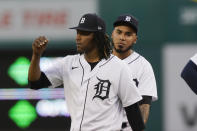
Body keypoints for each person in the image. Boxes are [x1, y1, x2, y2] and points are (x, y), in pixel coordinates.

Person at [28, 13, 145, 131]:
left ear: (97, 37)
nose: (78, 37)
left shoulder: (119, 67)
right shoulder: (68, 63)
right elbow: (35, 83)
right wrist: (36, 55)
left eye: (84, 33)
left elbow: (134, 113)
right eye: (78, 32)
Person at [111, 14, 158, 130]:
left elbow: (144, 106)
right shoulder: (100, 61)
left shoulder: (143, 66)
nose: (122, 37)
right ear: (112, 34)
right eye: (119, 32)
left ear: (135, 39)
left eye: (128, 34)